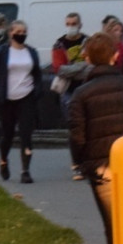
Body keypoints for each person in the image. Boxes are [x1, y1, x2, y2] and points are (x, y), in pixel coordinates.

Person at [68, 31, 123, 244]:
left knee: (114, 228)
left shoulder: (81, 94)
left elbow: (76, 135)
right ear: (116, 55)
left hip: (102, 168)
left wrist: (81, 163)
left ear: (88, 59)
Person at [0, 20, 42, 184]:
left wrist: (37, 90)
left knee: (26, 134)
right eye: (18, 31)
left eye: (24, 31)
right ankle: (3, 160)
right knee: (7, 134)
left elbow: (37, 73)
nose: (21, 34)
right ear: (10, 33)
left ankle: (25, 170)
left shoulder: (31, 52)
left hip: (27, 97)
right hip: (7, 98)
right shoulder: (2, 52)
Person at [52, 12, 89, 178]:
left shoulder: (87, 42)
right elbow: (59, 69)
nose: (71, 26)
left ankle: (87, 160)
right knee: (74, 128)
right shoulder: (59, 44)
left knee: (88, 126)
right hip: (68, 91)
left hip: (86, 88)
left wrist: (72, 70)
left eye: (74, 23)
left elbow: (90, 66)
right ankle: (76, 163)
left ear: (80, 24)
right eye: (68, 23)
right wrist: (79, 67)